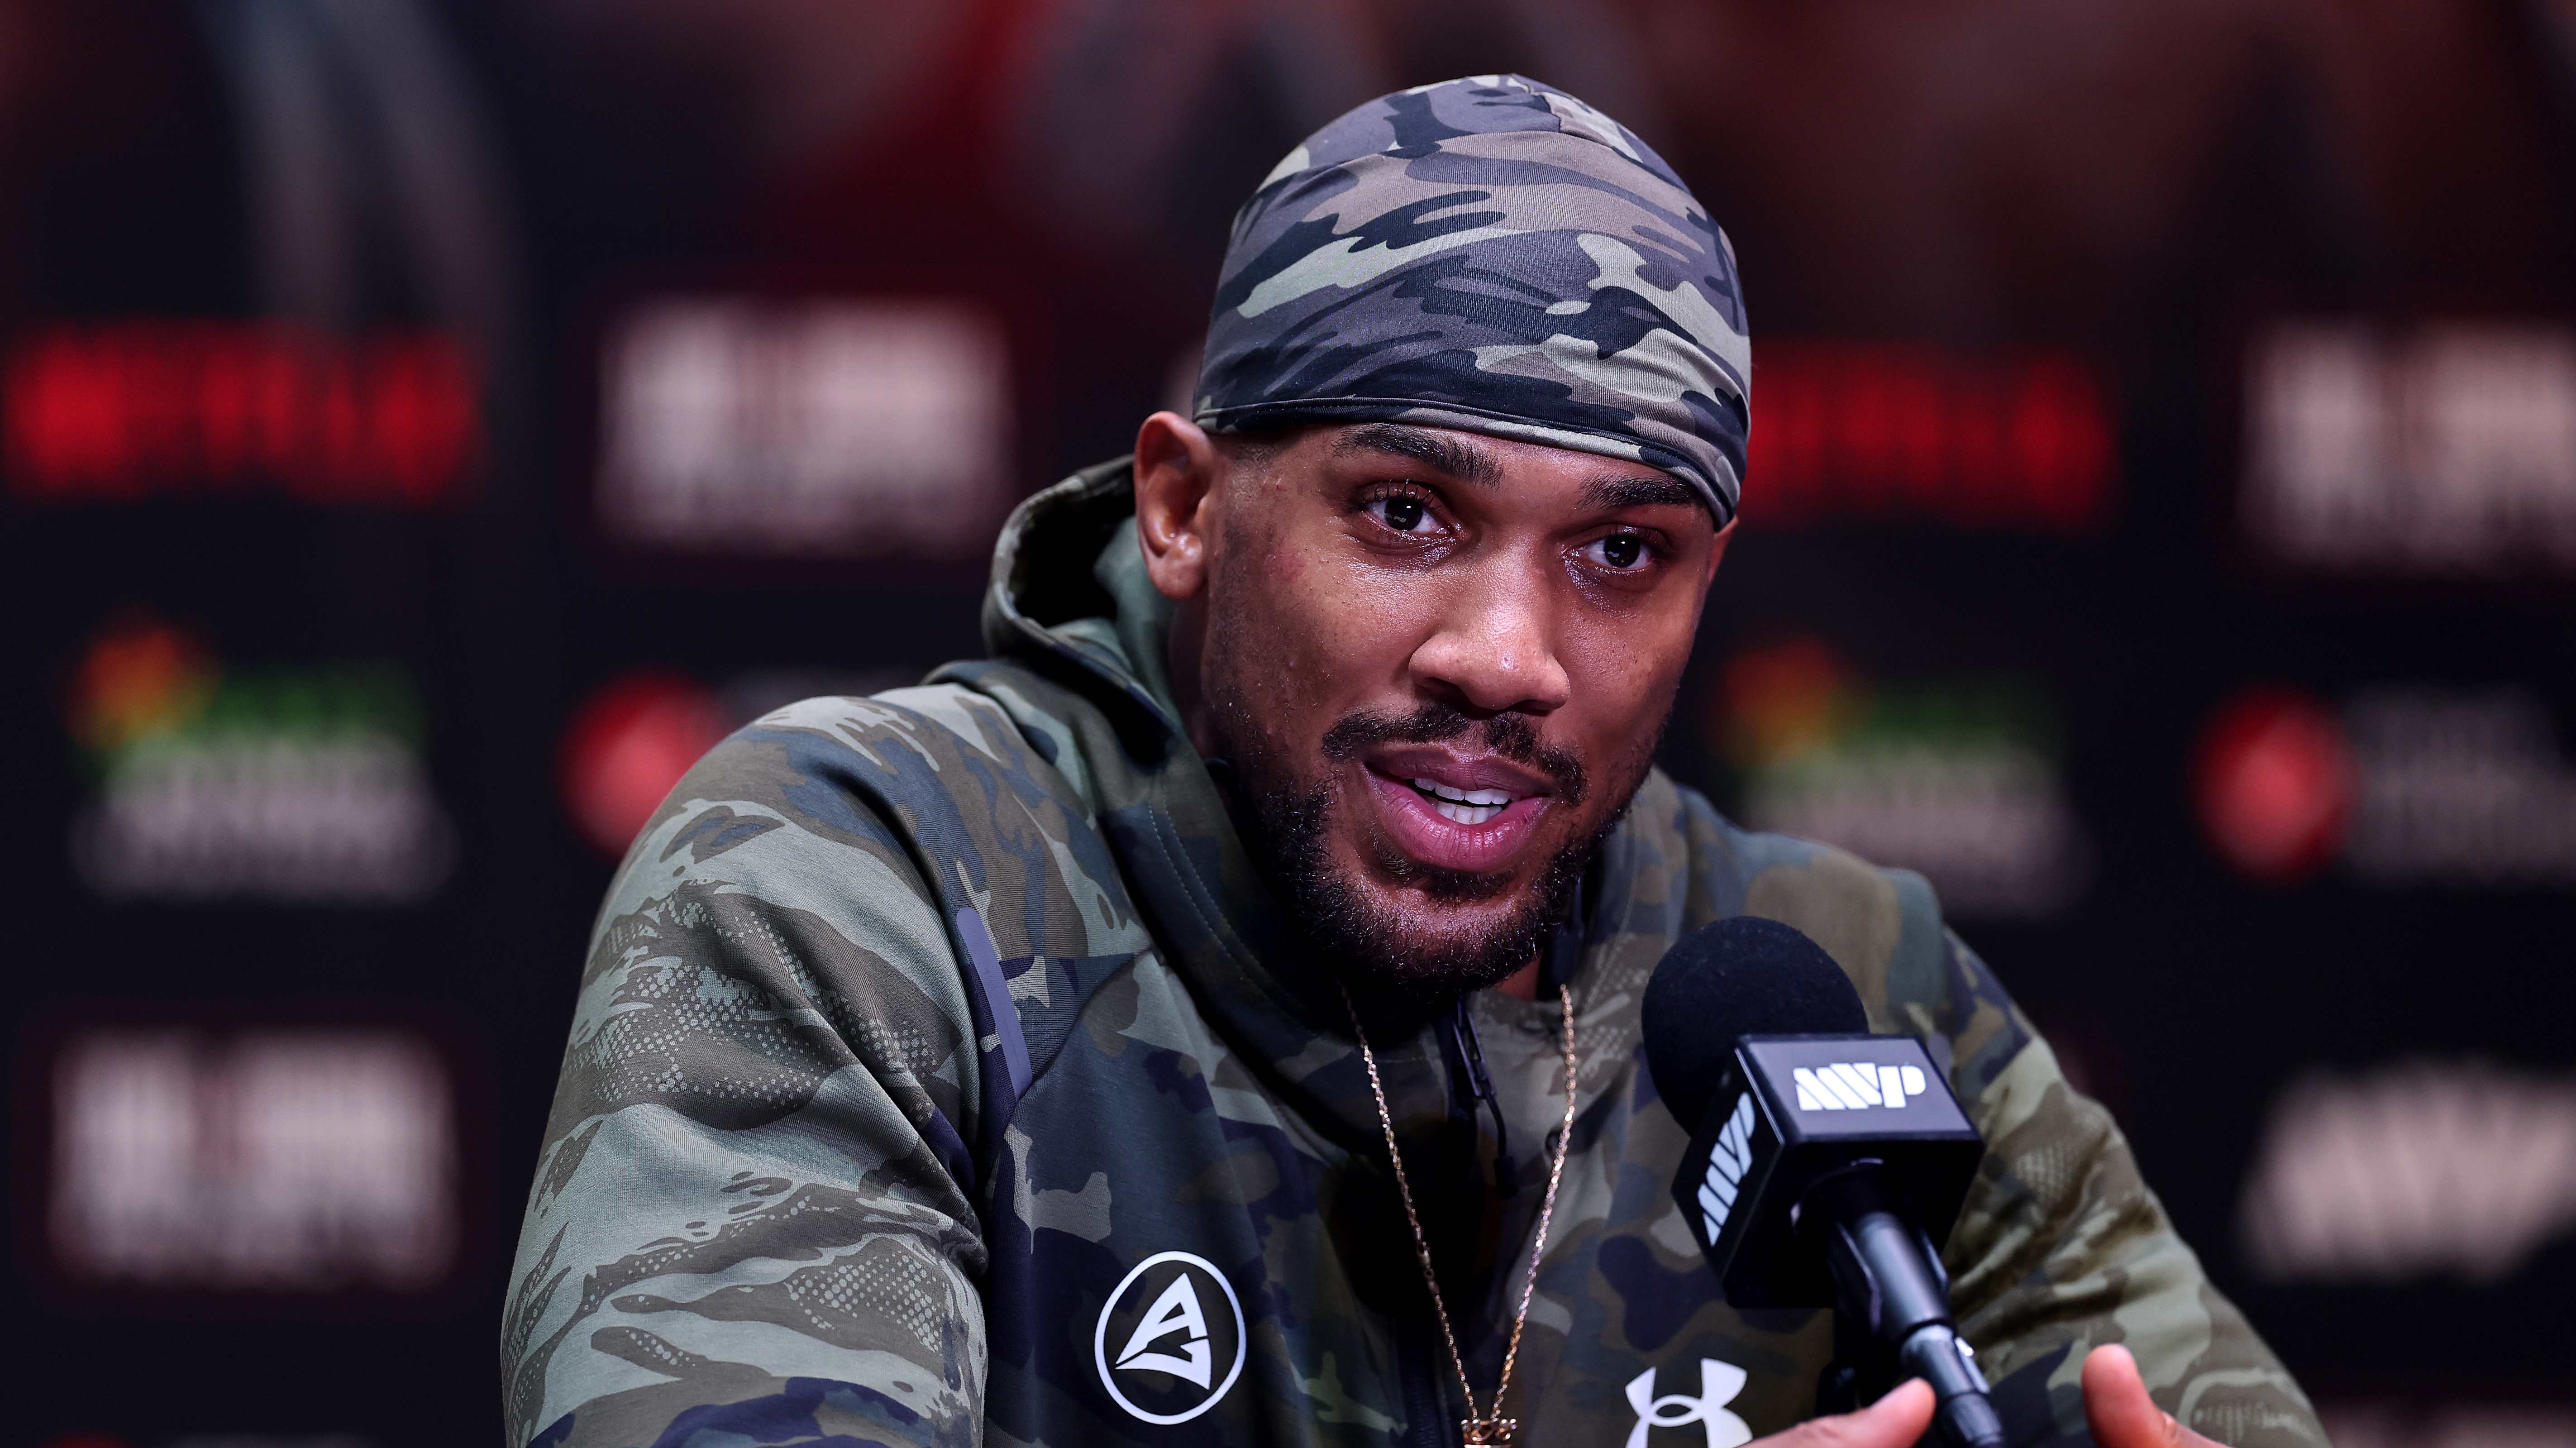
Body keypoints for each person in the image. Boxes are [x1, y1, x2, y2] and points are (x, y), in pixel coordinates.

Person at [502, 75, 2323, 1448]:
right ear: (1185, 507)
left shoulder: (1839, 985)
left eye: (1621, 553)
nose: (1508, 656)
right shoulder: (867, 883)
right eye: (1405, 510)